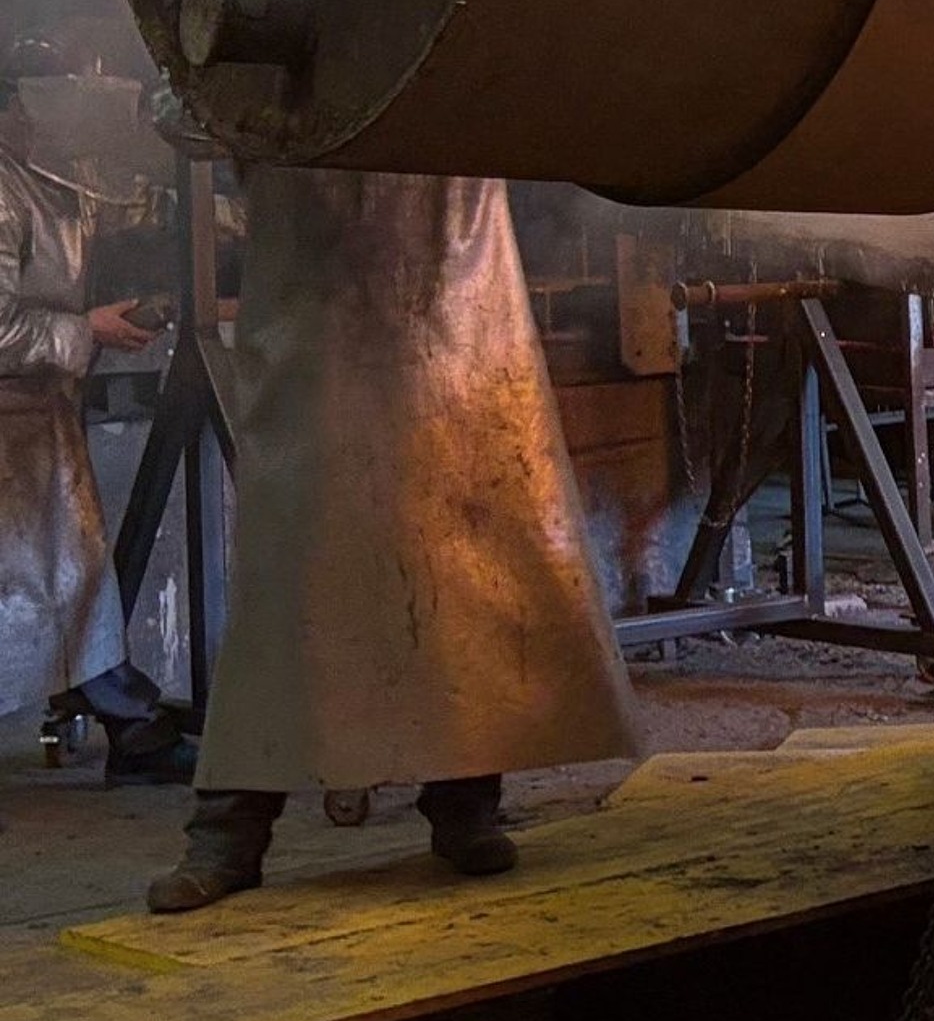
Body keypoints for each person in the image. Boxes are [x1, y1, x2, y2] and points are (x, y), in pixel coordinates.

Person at [146, 170, 644, 909]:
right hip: (317, 293)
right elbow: (188, 99)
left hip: (458, 285)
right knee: (294, 580)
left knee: (470, 565)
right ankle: (228, 831)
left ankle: (465, 800)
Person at [0, 45, 181, 780]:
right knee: (51, 581)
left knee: (70, 580)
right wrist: (89, 331)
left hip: (39, 417)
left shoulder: (46, 183)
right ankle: (130, 722)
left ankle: (129, 720)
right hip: (9, 426)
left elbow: (128, 208)